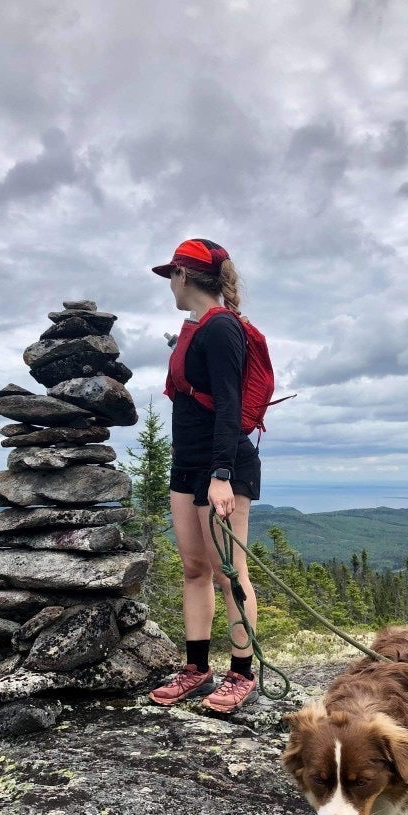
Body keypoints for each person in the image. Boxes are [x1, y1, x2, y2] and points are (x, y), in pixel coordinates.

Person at [148, 238, 261, 714]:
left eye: (170, 275)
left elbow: (231, 405)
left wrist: (220, 474)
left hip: (222, 465)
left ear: (184, 276)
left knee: (229, 571)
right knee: (195, 568)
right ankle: (198, 668)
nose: (169, 286)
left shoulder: (221, 331)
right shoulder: (195, 328)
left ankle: (242, 674)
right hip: (188, 464)